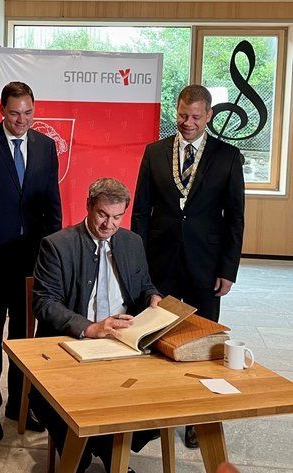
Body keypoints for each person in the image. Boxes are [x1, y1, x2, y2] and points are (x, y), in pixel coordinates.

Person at [131, 84, 245, 449]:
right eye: (182, 115)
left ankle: (198, 417)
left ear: (209, 115)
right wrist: (137, 263)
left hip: (205, 264)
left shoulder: (228, 157)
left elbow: (235, 218)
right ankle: (154, 408)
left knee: (203, 340)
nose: (188, 123)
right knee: (155, 334)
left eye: (196, 116)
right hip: (159, 261)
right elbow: (140, 212)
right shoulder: (154, 152)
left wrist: (228, 269)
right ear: (176, 111)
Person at [32, 178, 161, 473]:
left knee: (159, 398)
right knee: (65, 403)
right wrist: (91, 328)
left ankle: (107, 451)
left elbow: (144, 286)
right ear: (88, 206)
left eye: (117, 217)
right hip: (73, 343)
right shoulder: (57, 245)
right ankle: (98, 455)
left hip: (123, 342)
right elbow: (44, 303)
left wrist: (153, 297)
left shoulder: (132, 242)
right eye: (103, 214)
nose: (109, 225)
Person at [0, 81, 61, 441]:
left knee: (24, 337)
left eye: (28, 112)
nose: (22, 120)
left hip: (32, 259)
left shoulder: (46, 146)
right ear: (2, 110)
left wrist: (54, 255)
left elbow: (52, 203)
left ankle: (19, 404)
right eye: (15, 113)